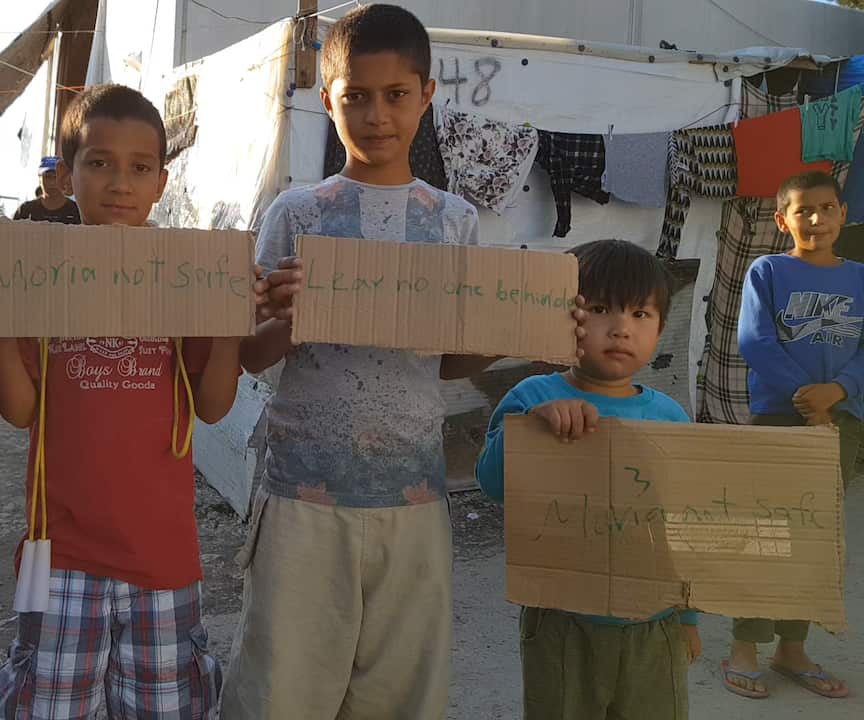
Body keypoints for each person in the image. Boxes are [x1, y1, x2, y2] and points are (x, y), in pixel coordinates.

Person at [218, 6, 582, 717]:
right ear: (328, 100)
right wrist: (288, 318)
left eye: (395, 95)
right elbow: (248, 355)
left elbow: (446, 361)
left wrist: (522, 326)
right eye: (355, 95)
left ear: (426, 96)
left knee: (397, 687)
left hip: (412, 492)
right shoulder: (297, 213)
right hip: (302, 492)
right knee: (285, 683)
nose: (376, 114)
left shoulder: (453, 220)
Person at [0, 84, 244, 719]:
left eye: (139, 167)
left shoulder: (185, 278)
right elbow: (19, 411)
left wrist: (229, 327)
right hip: (55, 558)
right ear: (66, 175)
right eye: (99, 162)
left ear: (161, 183)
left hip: (162, 560)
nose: (120, 183)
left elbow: (212, 408)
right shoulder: (39, 278)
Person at [476, 239, 702, 719]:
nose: (621, 328)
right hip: (562, 622)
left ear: (660, 329)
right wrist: (533, 429)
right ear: (562, 316)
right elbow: (493, 485)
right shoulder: (532, 397)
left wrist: (687, 615)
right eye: (599, 309)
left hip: (654, 623)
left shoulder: (671, 417)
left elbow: (682, 525)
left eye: (640, 314)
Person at [722, 170, 859, 700]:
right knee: (765, 534)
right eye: (804, 210)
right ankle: (745, 646)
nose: (817, 219)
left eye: (827, 208)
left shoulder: (861, 278)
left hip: (840, 423)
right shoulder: (768, 271)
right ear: (783, 220)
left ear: (843, 213)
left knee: (812, 538)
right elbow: (755, 341)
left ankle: (792, 648)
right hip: (779, 421)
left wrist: (838, 392)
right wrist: (807, 397)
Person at [12, 156, 81, 223]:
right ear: (40, 179)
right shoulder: (25, 210)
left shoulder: (77, 211)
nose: (52, 182)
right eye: (47, 177)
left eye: (56, 177)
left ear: (64, 179)